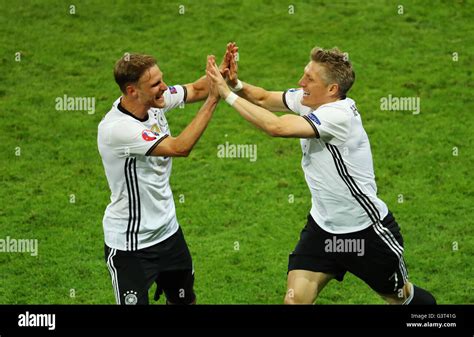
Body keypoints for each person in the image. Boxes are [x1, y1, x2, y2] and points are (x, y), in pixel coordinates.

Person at [206, 45, 436, 305]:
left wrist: (225, 94)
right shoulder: (308, 100)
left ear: (332, 90)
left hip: (365, 233)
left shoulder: (338, 116)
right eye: (304, 74)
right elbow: (262, 98)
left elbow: (276, 127)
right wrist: (236, 84)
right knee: (294, 301)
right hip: (323, 230)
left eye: (309, 79)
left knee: (400, 298)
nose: (300, 82)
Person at [97, 46, 234, 304]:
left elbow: (194, 89)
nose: (165, 87)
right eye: (156, 83)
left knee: (184, 301)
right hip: (131, 246)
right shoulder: (118, 130)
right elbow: (180, 148)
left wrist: (219, 76)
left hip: (169, 233)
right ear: (132, 91)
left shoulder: (153, 101)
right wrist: (214, 99)